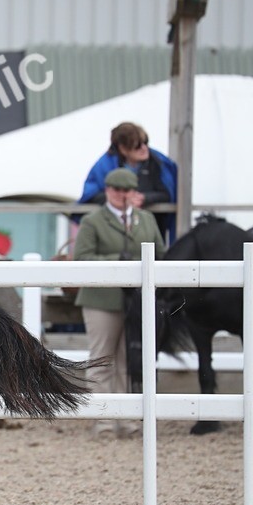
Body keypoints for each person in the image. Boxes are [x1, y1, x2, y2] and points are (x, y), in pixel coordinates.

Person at [73, 168, 166, 437]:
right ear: (108, 191)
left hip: (136, 301)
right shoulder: (93, 221)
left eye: (126, 191)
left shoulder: (146, 219)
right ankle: (102, 421)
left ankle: (127, 420)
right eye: (116, 190)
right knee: (102, 359)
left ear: (133, 192)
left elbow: (159, 253)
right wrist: (118, 259)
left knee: (130, 361)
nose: (121, 195)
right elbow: (82, 258)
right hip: (102, 299)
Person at [79, 121, 179, 241]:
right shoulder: (105, 165)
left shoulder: (158, 163)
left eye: (145, 143)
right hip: (112, 230)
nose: (144, 148)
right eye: (137, 146)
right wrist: (122, 199)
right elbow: (91, 195)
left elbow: (167, 194)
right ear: (123, 149)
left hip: (152, 227)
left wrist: (144, 198)